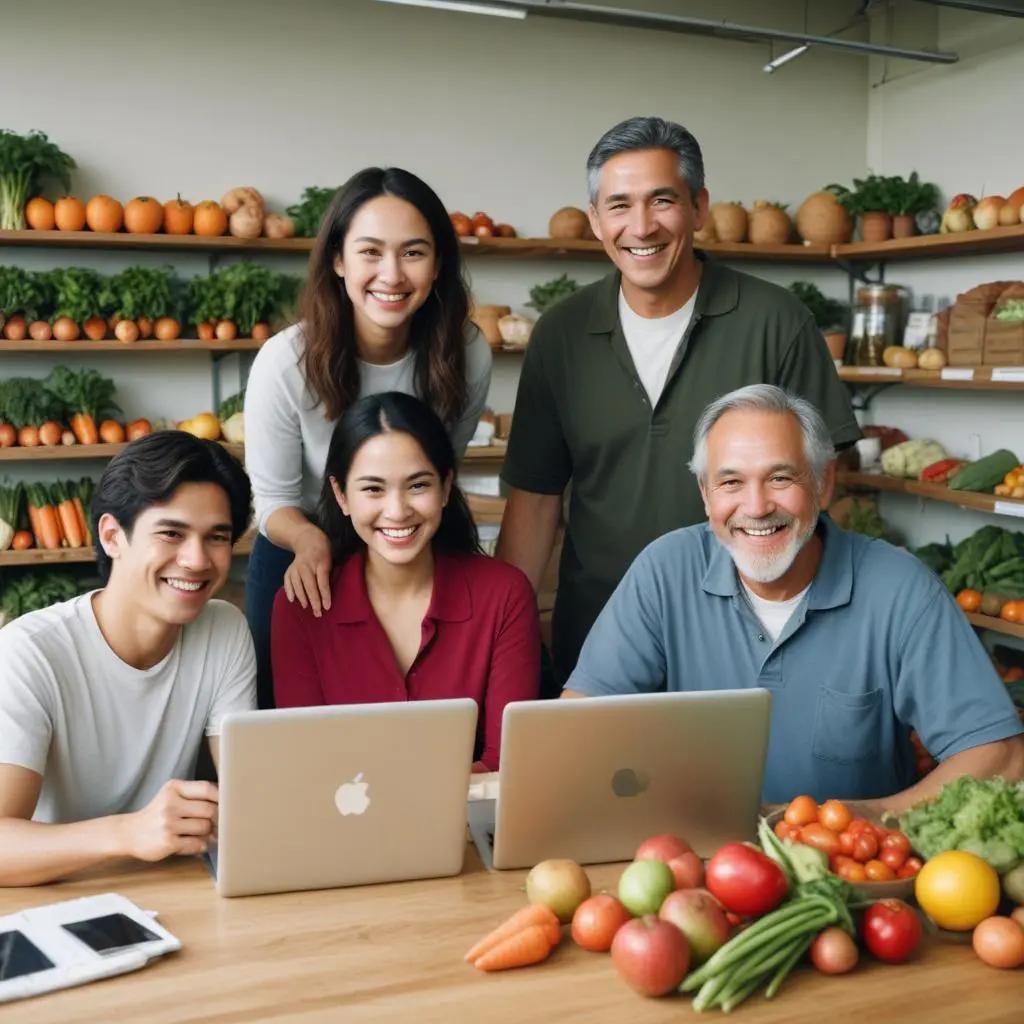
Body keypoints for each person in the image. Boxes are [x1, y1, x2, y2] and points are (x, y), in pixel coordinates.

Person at [497, 116, 860, 689]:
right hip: (598, 644)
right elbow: (535, 502)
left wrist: (834, 638)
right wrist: (502, 646)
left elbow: (824, 493)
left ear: (698, 206)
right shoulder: (561, 335)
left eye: (661, 200)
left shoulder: (776, 322)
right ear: (594, 220)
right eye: (618, 205)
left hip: (752, 647)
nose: (640, 226)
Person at [562, 385, 1024, 811]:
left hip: (848, 875)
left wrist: (860, 821)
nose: (757, 506)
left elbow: (998, 755)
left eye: (780, 478)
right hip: (690, 866)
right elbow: (577, 728)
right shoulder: (665, 571)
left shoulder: (899, 587)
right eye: (731, 482)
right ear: (705, 494)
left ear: (824, 483)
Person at [245, 167, 492, 707]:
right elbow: (274, 501)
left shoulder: (466, 354)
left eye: (413, 252)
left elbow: (439, 473)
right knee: (285, 723)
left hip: (412, 542)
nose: (392, 274)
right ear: (337, 260)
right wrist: (312, 542)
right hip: (304, 547)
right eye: (370, 252)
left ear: (438, 263)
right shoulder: (286, 363)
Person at [0, 432, 256, 886]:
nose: (197, 560)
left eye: (216, 537)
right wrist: (127, 833)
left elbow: (249, 788)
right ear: (112, 536)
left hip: (169, 886)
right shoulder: (30, 651)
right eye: (172, 533)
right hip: (52, 895)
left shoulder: (223, 629)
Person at [272, 392, 539, 772]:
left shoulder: (504, 595)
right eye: (373, 489)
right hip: (342, 827)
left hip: (469, 826)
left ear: (446, 487)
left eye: (417, 486)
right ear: (341, 495)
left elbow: (507, 763)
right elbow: (305, 765)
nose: (397, 511)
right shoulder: (299, 608)